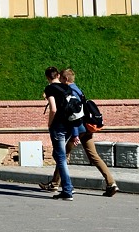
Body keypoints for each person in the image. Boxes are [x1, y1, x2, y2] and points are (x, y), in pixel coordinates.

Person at [39, 68, 119, 197]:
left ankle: (56, 185)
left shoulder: (70, 91)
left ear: (64, 79)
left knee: (62, 155)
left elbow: (73, 114)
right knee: (93, 156)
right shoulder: (78, 89)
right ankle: (111, 183)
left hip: (77, 128)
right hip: (87, 128)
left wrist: (75, 132)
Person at [42, 66, 75, 201]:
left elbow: (53, 109)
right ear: (57, 75)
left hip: (58, 126)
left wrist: (50, 123)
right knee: (58, 155)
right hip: (69, 125)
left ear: (47, 77)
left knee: (60, 157)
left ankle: (67, 189)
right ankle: (67, 187)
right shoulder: (66, 87)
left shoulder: (50, 88)